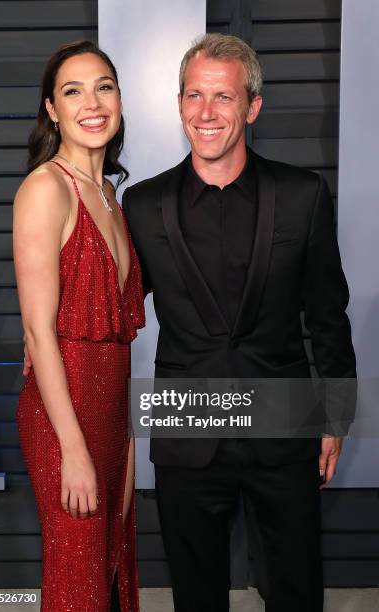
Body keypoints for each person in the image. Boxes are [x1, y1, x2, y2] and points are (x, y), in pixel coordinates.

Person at [121, 34, 356, 611]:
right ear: (178, 104)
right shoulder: (141, 205)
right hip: (185, 430)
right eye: (194, 96)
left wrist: (336, 415)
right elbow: (117, 309)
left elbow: (329, 314)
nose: (206, 113)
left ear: (252, 106)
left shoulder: (303, 195)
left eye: (223, 98)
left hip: (282, 423)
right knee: (196, 596)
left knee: (297, 589)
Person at [14, 40, 144, 612]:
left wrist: (127, 436)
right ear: (52, 110)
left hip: (111, 412)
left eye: (104, 86)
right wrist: (73, 447)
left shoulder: (111, 195)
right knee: (78, 582)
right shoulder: (46, 189)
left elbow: (117, 340)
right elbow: (40, 333)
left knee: (111, 569)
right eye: (73, 91)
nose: (92, 102)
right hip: (62, 417)